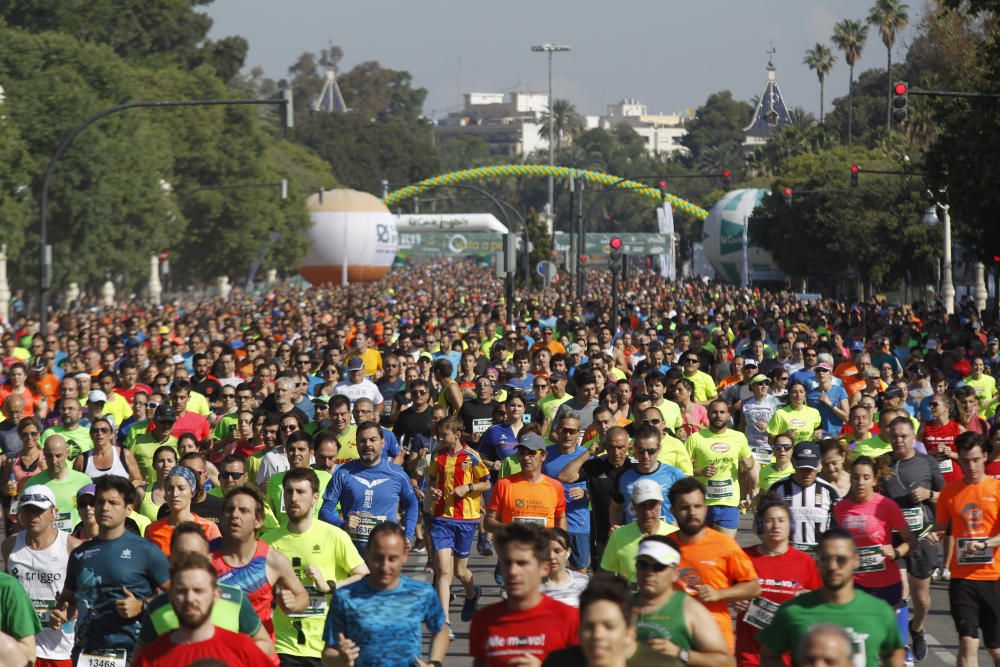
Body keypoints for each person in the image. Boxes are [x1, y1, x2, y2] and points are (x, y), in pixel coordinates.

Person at [50, 475, 171, 665]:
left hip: (132, 655)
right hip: (86, 655)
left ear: (128, 508)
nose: (104, 507)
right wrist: (61, 613)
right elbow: (69, 600)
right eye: (100, 501)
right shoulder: (79, 554)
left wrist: (142, 605)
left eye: (113, 502)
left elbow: (179, 595)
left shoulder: (146, 550)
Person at [263, 467, 369, 666]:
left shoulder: (334, 536)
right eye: (289, 491)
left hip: (327, 647)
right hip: (283, 645)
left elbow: (365, 577)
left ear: (315, 498)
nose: (293, 498)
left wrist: (330, 586)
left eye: (301, 492)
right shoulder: (268, 542)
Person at [758, 528, 905, 667]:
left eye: (841, 559)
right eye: (825, 558)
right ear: (817, 561)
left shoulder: (880, 611)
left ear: (856, 560)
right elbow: (769, 656)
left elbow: (894, 656)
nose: (833, 566)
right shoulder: (792, 611)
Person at [134, 521, 273, 658]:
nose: (188, 561)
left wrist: (231, 659)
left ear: (209, 559)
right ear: (170, 560)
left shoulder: (236, 599)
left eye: (195, 554)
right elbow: (141, 656)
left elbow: (264, 643)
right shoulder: (157, 607)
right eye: (181, 555)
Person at [321, 521, 448, 667]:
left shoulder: (421, 592)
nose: (385, 566)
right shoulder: (346, 597)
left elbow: (440, 628)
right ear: (367, 552)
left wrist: (434, 663)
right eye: (378, 558)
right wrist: (341, 660)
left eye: (392, 558)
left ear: (405, 555)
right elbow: (327, 653)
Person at [924, 432, 1000, 666]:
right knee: (967, 641)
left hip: (993, 577)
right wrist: (933, 537)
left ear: (985, 457)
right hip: (962, 578)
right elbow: (940, 528)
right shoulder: (950, 492)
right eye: (965, 461)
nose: (971, 466)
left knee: (995, 647)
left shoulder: (997, 490)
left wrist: (985, 544)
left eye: (976, 460)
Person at [832, 455, 918, 660]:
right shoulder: (840, 508)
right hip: (854, 587)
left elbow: (911, 541)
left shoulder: (886, 505)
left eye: (865, 477)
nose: (860, 482)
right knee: (858, 650)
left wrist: (896, 552)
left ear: (874, 480)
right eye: (855, 477)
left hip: (885, 584)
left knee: (888, 651)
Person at [668, 477, 760, 652]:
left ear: (706, 508)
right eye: (684, 507)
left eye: (697, 506)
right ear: (673, 510)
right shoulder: (665, 547)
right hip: (675, 640)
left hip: (716, 641)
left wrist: (720, 594)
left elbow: (753, 587)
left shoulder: (724, 544)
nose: (692, 513)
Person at [469, 523, 580, 665]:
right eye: (507, 563)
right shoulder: (484, 620)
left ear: (544, 568)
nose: (513, 571)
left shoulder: (569, 619)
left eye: (522, 563)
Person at [881, 416, 944, 662]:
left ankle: (917, 628)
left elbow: (946, 496)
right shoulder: (883, 463)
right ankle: (900, 644)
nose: (898, 440)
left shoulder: (927, 463)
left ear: (913, 438)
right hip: (894, 540)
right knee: (900, 591)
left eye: (903, 435)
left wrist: (930, 494)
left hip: (922, 538)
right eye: (894, 435)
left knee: (922, 598)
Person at [211, 486, 310, 638]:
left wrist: (293, 604)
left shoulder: (274, 560)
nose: (235, 515)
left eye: (244, 510)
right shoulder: (204, 556)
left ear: (259, 521)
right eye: (230, 510)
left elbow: (302, 596)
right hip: (217, 654)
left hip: (259, 652)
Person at [736, 498, 821, 667]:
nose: (776, 526)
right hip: (751, 655)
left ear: (791, 525)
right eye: (769, 520)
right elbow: (722, 590)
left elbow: (822, 605)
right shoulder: (743, 557)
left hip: (791, 656)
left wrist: (810, 600)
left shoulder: (805, 562)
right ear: (760, 526)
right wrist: (733, 599)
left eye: (782, 520)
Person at [425, 416, 490, 631]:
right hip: (441, 517)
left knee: (461, 572)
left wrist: (468, 488)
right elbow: (431, 480)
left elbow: (486, 483)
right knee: (444, 570)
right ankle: (444, 622)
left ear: (457, 434)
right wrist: (432, 491)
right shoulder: (438, 456)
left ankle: (472, 594)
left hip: (465, 519)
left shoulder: (471, 456)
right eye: (438, 434)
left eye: (444, 434)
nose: (439, 438)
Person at [1, 484, 76, 666]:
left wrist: (70, 611)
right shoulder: (9, 545)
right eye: (27, 510)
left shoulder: (72, 546)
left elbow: (87, 595)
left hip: (59, 648)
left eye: (39, 510)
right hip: (20, 644)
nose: (32, 515)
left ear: (54, 512)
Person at [629, 536, 732, 667]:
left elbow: (727, 662)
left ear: (675, 574)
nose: (649, 572)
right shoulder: (620, 607)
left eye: (658, 566)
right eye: (643, 565)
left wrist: (680, 653)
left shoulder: (690, 610)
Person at [319, 421, 418, 550]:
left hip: (386, 553)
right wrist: (342, 524)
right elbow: (324, 511)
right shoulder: (343, 473)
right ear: (356, 443)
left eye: (373, 440)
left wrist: (408, 534)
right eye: (362, 440)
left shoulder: (397, 474)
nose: (368, 445)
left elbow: (412, 503)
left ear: (383, 442)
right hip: (352, 554)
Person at [556, 426, 633, 569]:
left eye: (621, 447)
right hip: (603, 538)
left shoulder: (635, 467)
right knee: (603, 586)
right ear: (605, 446)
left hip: (632, 536)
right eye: (611, 447)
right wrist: (589, 453)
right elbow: (564, 476)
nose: (616, 452)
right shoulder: (596, 465)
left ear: (629, 446)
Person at [684, 399, 756, 535]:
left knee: (725, 548)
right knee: (701, 549)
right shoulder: (695, 438)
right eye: (714, 412)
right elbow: (681, 469)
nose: (718, 416)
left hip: (728, 502)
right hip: (701, 503)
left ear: (728, 415)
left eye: (722, 412)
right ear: (708, 414)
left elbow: (750, 461)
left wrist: (748, 464)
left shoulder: (738, 437)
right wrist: (699, 471)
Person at [541, 574, 639, 667]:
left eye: (609, 627)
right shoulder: (555, 663)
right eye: (589, 627)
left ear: (629, 633)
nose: (597, 635)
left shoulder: (652, 662)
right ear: (579, 632)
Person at [484, 433, 567, 532]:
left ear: (543, 456)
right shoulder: (504, 484)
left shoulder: (555, 486)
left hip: (543, 546)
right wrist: (508, 529)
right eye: (522, 452)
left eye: (532, 452)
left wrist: (562, 541)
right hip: (514, 546)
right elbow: (489, 521)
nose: (526, 457)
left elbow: (561, 518)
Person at [600, 479, 678, 583]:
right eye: (642, 505)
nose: (647, 511)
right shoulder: (619, 535)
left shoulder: (675, 534)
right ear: (634, 505)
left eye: (652, 505)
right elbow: (605, 575)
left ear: (660, 504)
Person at [542, 412, 592, 571]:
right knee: (550, 569)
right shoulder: (545, 454)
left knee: (580, 571)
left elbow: (600, 490)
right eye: (564, 430)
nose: (568, 435)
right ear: (557, 430)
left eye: (573, 431)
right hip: (551, 522)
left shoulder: (587, 457)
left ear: (579, 433)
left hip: (578, 522)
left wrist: (586, 494)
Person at [769, 441, 841, 551]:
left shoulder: (830, 492)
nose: (806, 473)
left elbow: (839, 527)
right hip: (786, 555)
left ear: (819, 464)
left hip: (819, 558)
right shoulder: (777, 489)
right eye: (802, 468)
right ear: (793, 463)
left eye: (810, 469)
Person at [609, 425, 686, 527]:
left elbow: (688, 505)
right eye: (641, 451)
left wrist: (678, 525)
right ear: (634, 449)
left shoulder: (674, 475)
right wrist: (616, 528)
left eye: (651, 451)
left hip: (667, 539)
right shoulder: (623, 476)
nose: (645, 456)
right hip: (634, 539)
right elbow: (615, 508)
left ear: (659, 449)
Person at [145, 465, 221, 555]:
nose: (175, 494)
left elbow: (218, 564)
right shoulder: (152, 529)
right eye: (170, 488)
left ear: (192, 492)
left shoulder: (209, 528)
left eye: (181, 488)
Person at [27, 434, 93, 533]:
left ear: (67, 453)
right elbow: (23, 516)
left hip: (77, 541)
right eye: (49, 456)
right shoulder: (32, 484)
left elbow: (94, 514)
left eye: (58, 456)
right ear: (44, 454)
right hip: (45, 541)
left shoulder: (83, 481)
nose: (54, 461)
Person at [125, 403, 179, 483]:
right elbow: (125, 466)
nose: (166, 426)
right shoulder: (138, 442)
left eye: (170, 422)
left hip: (171, 491)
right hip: (144, 492)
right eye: (163, 422)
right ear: (154, 420)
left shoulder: (178, 444)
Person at [541, 527, 590, 607]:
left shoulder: (583, 582)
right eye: (546, 551)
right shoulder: (533, 586)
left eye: (557, 551)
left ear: (568, 552)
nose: (551, 556)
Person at [767, 381, 822, 445]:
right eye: (794, 392)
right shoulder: (780, 413)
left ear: (805, 394)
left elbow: (818, 430)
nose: (798, 395)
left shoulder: (814, 412)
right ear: (789, 395)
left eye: (801, 392)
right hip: (787, 452)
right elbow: (770, 440)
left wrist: (818, 433)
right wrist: (784, 435)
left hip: (807, 452)